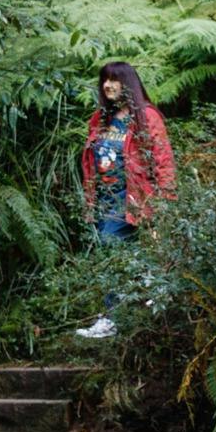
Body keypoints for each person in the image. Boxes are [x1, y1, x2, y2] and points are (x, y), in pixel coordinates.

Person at [74, 61, 174, 340]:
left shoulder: (146, 116)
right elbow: (90, 161)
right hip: (103, 199)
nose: (107, 85)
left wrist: (165, 200)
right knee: (117, 254)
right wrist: (90, 199)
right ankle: (144, 302)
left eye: (114, 80)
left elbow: (163, 160)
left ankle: (113, 318)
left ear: (127, 83)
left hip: (130, 197)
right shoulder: (100, 118)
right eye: (104, 80)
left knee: (112, 251)